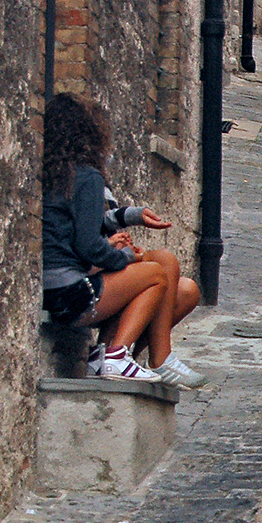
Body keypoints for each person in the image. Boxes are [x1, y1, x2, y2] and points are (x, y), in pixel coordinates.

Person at [41, 93, 207, 388]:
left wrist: (128, 218)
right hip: (71, 293)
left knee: (184, 288)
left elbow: (78, 224)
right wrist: (128, 257)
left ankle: (109, 354)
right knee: (157, 272)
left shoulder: (58, 175)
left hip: (59, 291)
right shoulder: (87, 177)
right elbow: (88, 246)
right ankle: (131, 357)